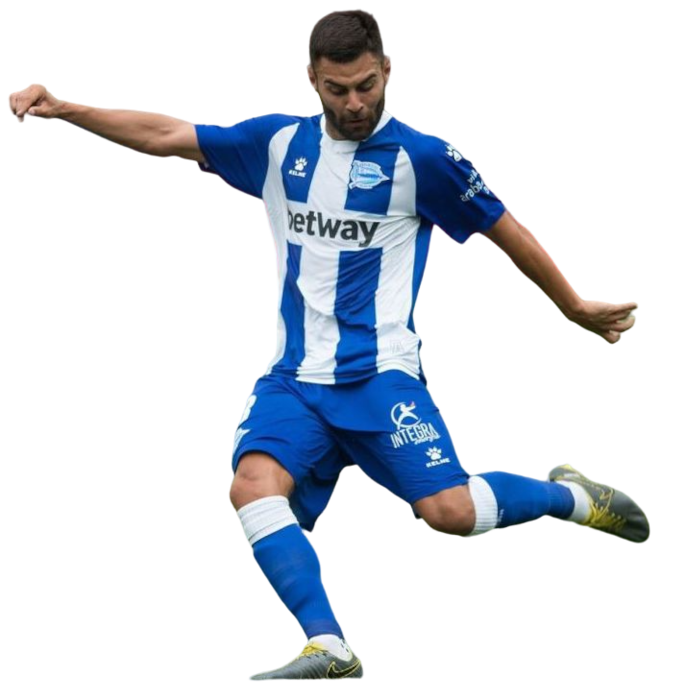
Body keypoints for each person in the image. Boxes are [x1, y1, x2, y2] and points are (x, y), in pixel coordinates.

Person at [8, 8, 648, 683]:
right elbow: (166, 134)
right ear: (312, 80)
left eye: (367, 85)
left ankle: (571, 497)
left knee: (450, 514)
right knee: (251, 488)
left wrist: (573, 305)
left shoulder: (423, 159)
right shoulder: (278, 144)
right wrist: (65, 109)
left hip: (381, 377)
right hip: (294, 379)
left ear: (388, 71)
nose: (355, 103)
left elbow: (503, 227)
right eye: (338, 89)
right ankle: (330, 646)